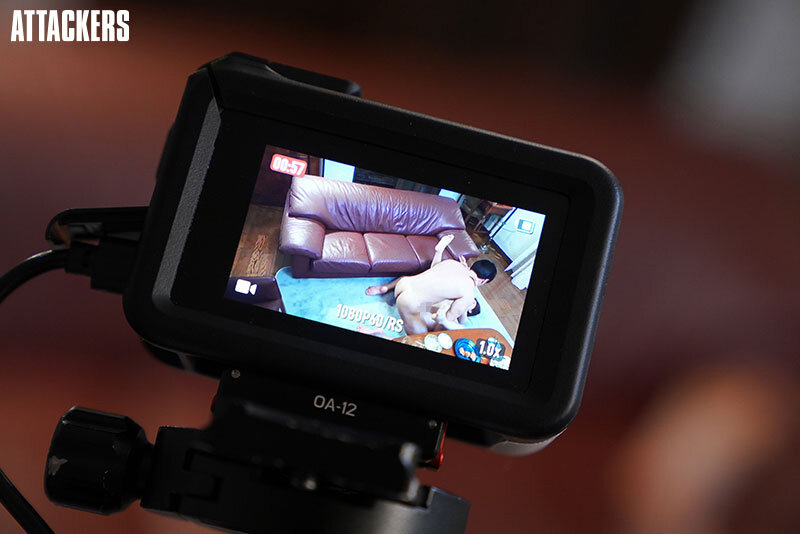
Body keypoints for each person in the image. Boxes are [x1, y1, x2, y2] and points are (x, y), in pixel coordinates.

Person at [365, 234, 497, 335]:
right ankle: (380, 334)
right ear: (484, 281)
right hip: (408, 303)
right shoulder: (468, 294)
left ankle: (385, 288)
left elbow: (434, 270)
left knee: (429, 303)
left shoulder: (454, 263)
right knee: (421, 339)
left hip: (403, 284)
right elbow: (444, 320)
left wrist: (439, 252)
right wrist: (434, 333)